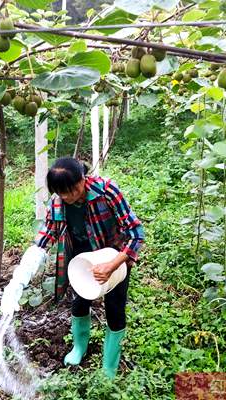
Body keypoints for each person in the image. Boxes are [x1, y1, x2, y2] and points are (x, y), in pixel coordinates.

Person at [34, 157, 145, 379]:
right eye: (61, 192)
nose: (67, 197)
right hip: (81, 255)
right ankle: (79, 347)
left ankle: (109, 366)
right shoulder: (58, 203)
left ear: (82, 179)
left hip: (113, 254)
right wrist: (34, 255)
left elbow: (136, 232)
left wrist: (112, 266)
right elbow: (49, 231)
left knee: (114, 308)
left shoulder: (106, 192)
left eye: (72, 190)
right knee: (79, 301)